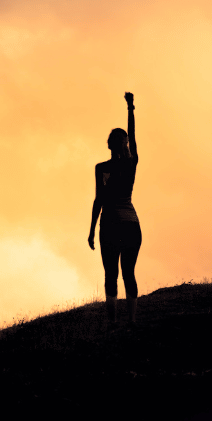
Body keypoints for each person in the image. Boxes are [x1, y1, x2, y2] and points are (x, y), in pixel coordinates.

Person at [88, 92, 142, 325]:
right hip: (127, 225)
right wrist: (130, 108)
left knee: (113, 275)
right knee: (125, 273)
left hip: (112, 226)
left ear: (110, 144)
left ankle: (115, 324)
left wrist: (91, 231)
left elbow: (98, 201)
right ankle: (129, 322)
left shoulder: (106, 167)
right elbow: (133, 135)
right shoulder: (127, 164)